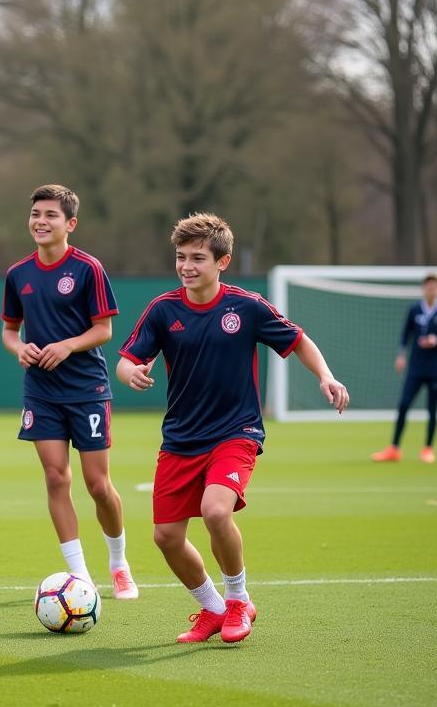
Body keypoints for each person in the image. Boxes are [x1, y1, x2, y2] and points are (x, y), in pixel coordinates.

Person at [116, 212, 348, 644]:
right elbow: (127, 360)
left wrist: (325, 376)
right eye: (181, 257)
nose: (187, 266)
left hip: (236, 433)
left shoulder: (246, 306)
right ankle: (212, 608)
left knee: (216, 511)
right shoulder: (163, 310)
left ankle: (239, 599)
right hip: (181, 439)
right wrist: (130, 372)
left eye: (198, 258)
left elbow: (298, 340)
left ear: (222, 262)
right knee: (165, 537)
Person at [1, 183, 138, 600]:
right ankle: (79, 576)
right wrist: (19, 348)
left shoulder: (87, 268)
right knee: (56, 477)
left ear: (70, 224)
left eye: (50, 216)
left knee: (98, 485)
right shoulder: (18, 274)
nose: (40, 222)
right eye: (36, 214)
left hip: (87, 389)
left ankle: (119, 563)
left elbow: (105, 330)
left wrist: (66, 345)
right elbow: (9, 331)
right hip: (41, 391)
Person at [371, 273, 437, 464]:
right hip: (416, 367)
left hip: (436, 369)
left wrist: (436, 340)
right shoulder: (415, 309)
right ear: (423, 288)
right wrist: (401, 355)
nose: (431, 289)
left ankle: (428, 449)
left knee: (432, 409)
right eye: (428, 286)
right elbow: (405, 335)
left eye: (434, 286)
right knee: (404, 404)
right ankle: (394, 448)